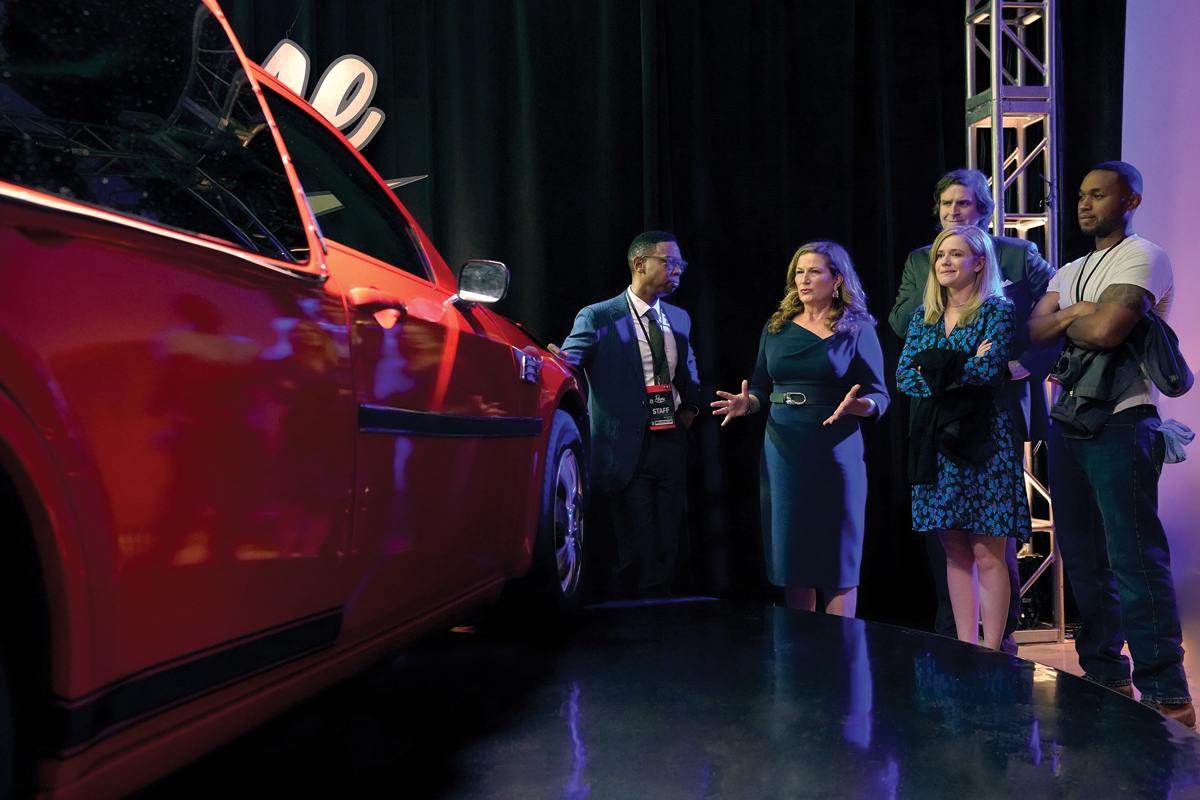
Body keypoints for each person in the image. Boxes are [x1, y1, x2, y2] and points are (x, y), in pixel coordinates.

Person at [1028, 161, 1193, 727]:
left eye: (1098, 195)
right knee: (1084, 557)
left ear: (1131, 200)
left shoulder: (1143, 256)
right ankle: (1103, 673)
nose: (1085, 203)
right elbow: (1031, 331)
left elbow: (1107, 330)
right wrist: (1078, 309)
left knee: (1134, 557)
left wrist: (1069, 317)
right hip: (1069, 422)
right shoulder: (1069, 270)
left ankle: (1167, 691)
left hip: (1123, 420)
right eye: (1080, 195)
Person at [888, 168, 1055, 654]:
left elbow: (1046, 314)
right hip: (935, 435)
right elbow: (905, 371)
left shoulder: (1010, 277)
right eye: (946, 206)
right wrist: (968, 360)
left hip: (985, 433)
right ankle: (961, 645)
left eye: (963, 205)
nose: (952, 216)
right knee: (952, 547)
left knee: (990, 545)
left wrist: (1010, 363)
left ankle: (996, 645)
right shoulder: (924, 296)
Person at [712, 241, 888, 617]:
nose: (804, 280)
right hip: (783, 446)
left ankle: (842, 648)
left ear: (837, 279)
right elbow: (760, 386)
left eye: (814, 271)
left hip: (836, 446)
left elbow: (880, 393)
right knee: (792, 549)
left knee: (838, 550)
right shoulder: (775, 327)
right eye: (799, 272)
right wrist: (749, 403)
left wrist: (863, 406)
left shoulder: (857, 329)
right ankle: (802, 652)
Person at [557, 231, 701, 599]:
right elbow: (568, 364)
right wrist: (552, 362)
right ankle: (633, 628)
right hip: (624, 447)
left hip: (670, 441)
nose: (678, 271)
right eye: (670, 262)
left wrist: (688, 414)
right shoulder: (599, 316)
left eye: (680, 264)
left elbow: (689, 373)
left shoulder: (680, 318)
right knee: (635, 549)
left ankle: (662, 624)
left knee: (667, 544)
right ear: (640, 264)